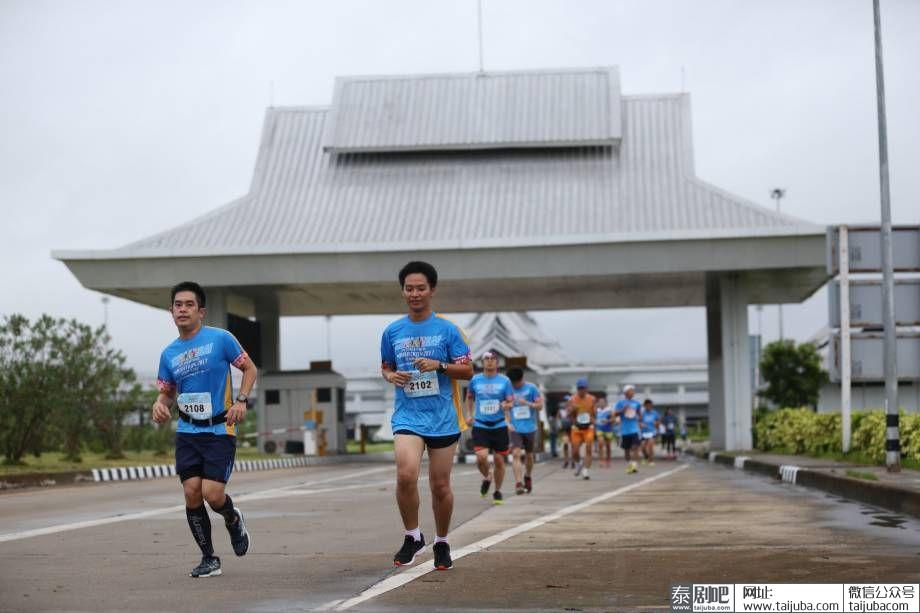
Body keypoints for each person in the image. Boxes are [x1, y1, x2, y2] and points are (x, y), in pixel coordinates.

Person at [151, 281, 256, 578]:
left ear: (201, 311)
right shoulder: (168, 354)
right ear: (171, 311)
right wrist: (159, 404)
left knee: (212, 494)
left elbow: (250, 369)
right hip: (187, 431)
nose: (182, 309)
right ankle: (209, 558)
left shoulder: (221, 339)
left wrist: (241, 400)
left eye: (189, 305)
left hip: (220, 429)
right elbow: (167, 392)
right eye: (177, 305)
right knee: (191, 492)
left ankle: (233, 518)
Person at [381, 261, 473, 571]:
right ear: (403, 292)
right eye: (409, 288)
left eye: (421, 288)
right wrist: (390, 376)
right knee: (405, 475)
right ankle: (412, 536)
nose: (415, 293)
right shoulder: (392, 331)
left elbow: (468, 371)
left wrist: (440, 366)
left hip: (443, 418)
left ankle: (442, 541)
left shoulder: (448, 330)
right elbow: (386, 366)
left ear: (431, 290)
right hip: (408, 416)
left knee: (439, 485)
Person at [465, 351, 514, 505]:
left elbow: (510, 401)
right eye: (487, 359)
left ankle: (497, 491)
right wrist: (469, 414)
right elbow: (470, 397)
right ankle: (488, 475)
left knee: (499, 460)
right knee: (481, 458)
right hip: (480, 424)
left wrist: (507, 405)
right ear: (482, 362)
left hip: (499, 424)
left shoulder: (505, 381)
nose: (490, 361)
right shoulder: (475, 380)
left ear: (497, 363)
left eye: (493, 359)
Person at [506, 367, 542, 494]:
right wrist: (507, 422)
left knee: (529, 455)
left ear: (522, 378)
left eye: (518, 382)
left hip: (530, 427)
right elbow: (504, 406)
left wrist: (527, 403)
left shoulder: (531, 388)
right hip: (515, 428)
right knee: (515, 454)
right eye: (514, 383)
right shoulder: (508, 389)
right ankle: (518, 483)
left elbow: (540, 406)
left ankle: (527, 475)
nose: (516, 385)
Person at [565, 379, 595, 480]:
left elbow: (595, 413)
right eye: (580, 388)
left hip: (588, 428)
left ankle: (586, 470)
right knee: (575, 452)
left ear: (587, 389)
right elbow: (567, 414)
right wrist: (572, 409)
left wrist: (593, 419)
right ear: (577, 389)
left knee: (589, 447)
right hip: (576, 428)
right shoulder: (572, 399)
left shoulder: (592, 399)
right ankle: (578, 463)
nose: (582, 390)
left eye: (583, 388)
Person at [614, 384, 642, 474]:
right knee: (626, 450)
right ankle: (629, 464)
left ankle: (634, 465)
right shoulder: (620, 403)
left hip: (634, 429)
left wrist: (639, 417)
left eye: (633, 391)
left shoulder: (636, 403)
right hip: (625, 430)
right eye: (631, 391)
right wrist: (622, 410)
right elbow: (615, 414)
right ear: (626, 392)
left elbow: (639, 413)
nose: (633, 392)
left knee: (635, 447)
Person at [639, 398, 660, 466]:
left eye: (650, 405)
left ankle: (651, 461)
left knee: (650, 445)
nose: (648, 407)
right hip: (644, 432)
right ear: (644, 406)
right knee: (642, 448)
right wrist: (641, 425)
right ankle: (646, 457)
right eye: (647, 405)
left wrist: (657, 425)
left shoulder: (655, 413)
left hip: (652, 432)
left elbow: (658, 422)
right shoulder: (642, 413)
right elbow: (639, 422)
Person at [594, 396, 614, 468]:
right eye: (600, 402)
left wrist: (607, 421)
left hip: (608, 429)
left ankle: (608, 460)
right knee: (600, 444)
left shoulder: (609, 410)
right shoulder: (597, 410)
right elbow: (593, 418)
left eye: (602, 402)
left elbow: (613, 419)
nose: (601, 403)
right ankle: (601, 460)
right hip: (599, 429)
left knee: (608, 447)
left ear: (605, 403)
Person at [559, 394, 573, 468]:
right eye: (565, 401)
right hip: (564, 429)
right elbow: (558, 419)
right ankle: (566, 461)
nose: (567, 402)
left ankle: (573, 461)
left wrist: (570, 413)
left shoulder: (573, 409)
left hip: (572, 429)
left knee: (573, 445)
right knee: (565, 444)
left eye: (568, 401)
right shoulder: (561, 410)